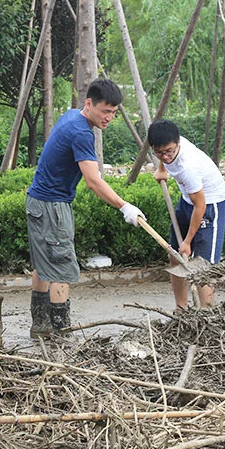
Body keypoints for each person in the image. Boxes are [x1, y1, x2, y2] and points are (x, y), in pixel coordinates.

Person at [26, 78, 145, 337]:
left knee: (44, 263)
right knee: (62, 268)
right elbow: (93, 181)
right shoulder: (82, 133)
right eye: (105, 111)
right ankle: (61, 332)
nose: (109, 117)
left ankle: (40, 326)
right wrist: (124, 206)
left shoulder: (71, 116)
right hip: (53, 206)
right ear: (89, 103)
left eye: (114, 112)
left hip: (37, 201)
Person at [148, 120, 225, 308]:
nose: (166, 157)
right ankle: (181, 310)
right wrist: (161, 169)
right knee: (175, 255)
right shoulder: (167, 145)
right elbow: (164, 156)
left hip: (210, 204)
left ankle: (205, 314)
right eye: (159, 153)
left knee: (203, 265)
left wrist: (187, 241)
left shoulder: (188, 167)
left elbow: (200, 206)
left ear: (178, 143)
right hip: (187, 200)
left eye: (169, 151)